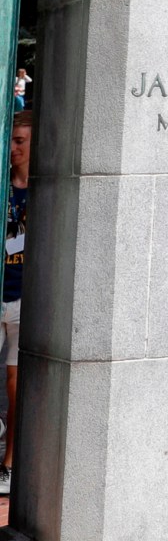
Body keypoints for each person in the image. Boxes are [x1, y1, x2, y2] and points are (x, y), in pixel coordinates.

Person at [3, 108, 28, 496]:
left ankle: (7, 465)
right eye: (10, 140)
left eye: (20, 141)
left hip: (25, 297)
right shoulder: (4, 185)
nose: (13, 148)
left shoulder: (45, 187)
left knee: (13, 382)